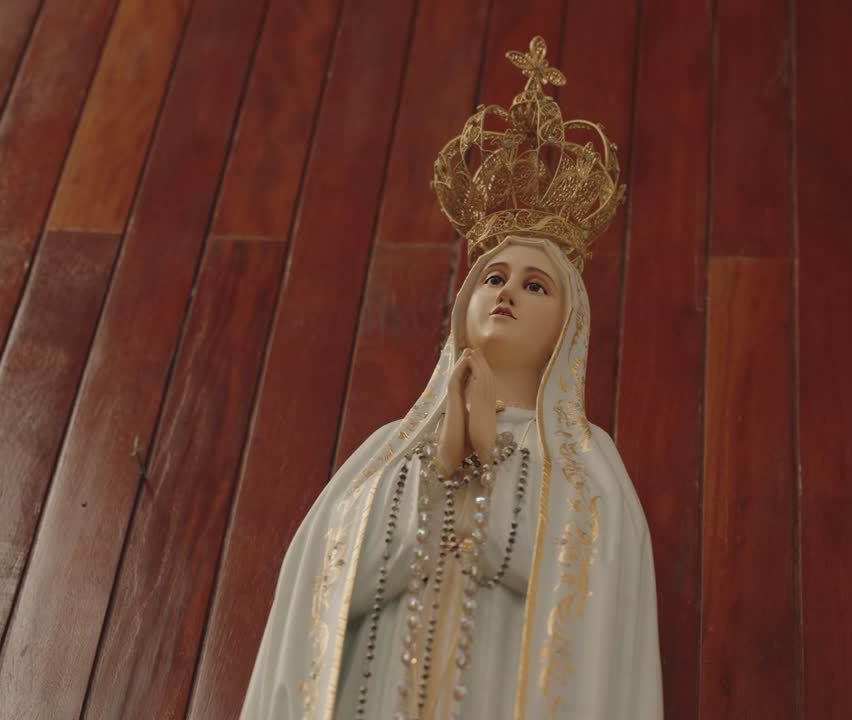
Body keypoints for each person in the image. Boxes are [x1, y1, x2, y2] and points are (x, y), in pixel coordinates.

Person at [240, 37, 662, 720]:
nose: (508, 293)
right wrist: (439, 466)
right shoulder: (388, 452)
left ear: (569, 324)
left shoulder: (588, 465)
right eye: (494, 277)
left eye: (535, 285)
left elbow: (587, 610)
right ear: (463, 301)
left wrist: (496, 455)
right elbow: (325, 592)